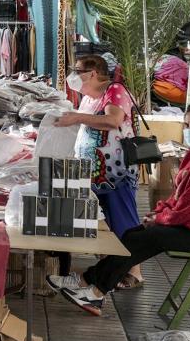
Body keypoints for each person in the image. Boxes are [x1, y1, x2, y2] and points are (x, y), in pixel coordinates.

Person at [49, 98, 190, 316]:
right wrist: (160, 213)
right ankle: (88, 282)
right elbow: (181, 197)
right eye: (187, 125)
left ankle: (95, 291)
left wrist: (162, 219)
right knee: (133, 233)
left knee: (145, 237)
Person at [56, 53, 143, 288]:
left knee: (122, 220)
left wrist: (76, 117)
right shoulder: (88, 98)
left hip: (117, 172)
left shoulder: (115, 90)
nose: (73, 76)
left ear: (92, 73)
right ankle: (111, 268)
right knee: (104, 221)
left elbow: (113, 120)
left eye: (78, 71)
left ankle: (134, 272)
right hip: (95, 173)